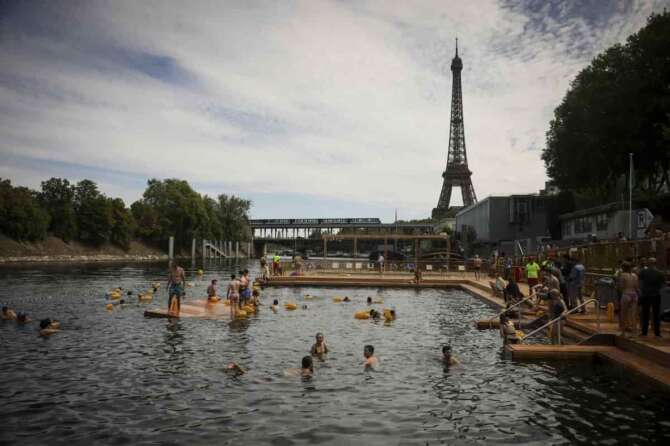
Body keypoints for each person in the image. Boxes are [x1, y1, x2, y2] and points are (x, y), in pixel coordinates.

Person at [638, 257, 665, 337]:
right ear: (655, 263)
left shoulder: (643, 272)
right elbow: (663, 284)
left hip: (645, 295)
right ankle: (657, 332)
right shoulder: (660, 273)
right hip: (656, 295)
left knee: (645, 314)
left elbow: (640, 282)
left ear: (648, 263)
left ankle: (644, 332)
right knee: (656, 314)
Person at [617, 261, 639, 337]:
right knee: (633, 314)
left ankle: (623, 332)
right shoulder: (635, 275)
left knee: (623, 313)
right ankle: (634, 332)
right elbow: (637, 287)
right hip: (634, 295)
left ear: (623, 268)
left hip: (626, 294)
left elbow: (621, 287)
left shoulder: (623, 275)